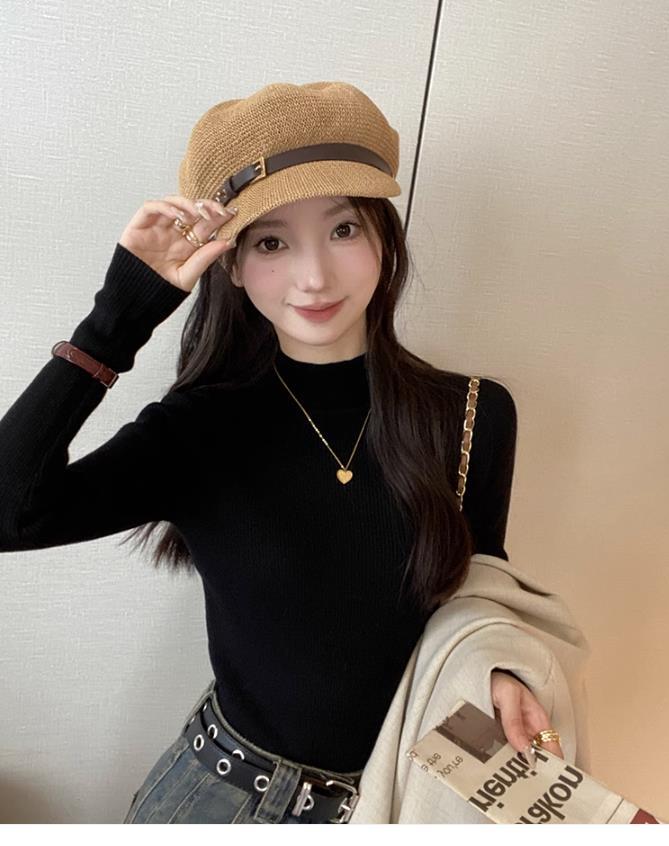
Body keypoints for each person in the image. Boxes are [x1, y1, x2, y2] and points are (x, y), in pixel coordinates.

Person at [0, 81, 562, 825]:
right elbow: (10, 515)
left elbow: (477, 583)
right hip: (226, 801)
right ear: (230, 264)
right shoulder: (199, 429)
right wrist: (117, 320)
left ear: (384, 239)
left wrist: (498, 668)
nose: (314, 277)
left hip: (404, 795)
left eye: (343, 229)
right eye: (270, 242)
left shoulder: (473, 415)